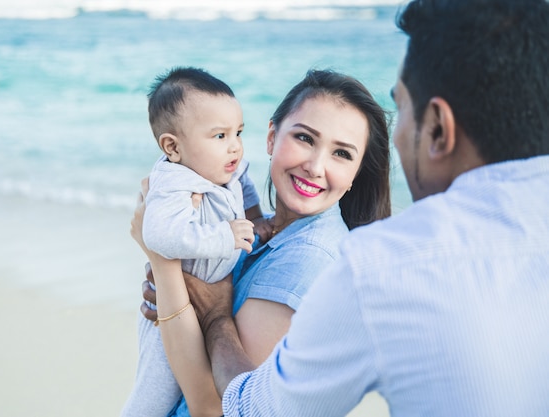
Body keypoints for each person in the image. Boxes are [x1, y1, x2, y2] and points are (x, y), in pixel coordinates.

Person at [164, 0, 549, 415]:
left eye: (401, 108)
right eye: (305, 138)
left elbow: (252, 411)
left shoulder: (381, 265)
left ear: (437, 127)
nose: (397, 140)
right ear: (272, 136)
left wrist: (212, 314)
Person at [132, 69, 392, 416]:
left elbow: (213, 408)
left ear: (355, 175)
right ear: (271, 137)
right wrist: (180, 292)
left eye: (342, 154)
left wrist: (166, 267)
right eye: (305, 138)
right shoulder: (269, 228)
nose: (315, 166)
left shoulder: (306, 260)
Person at [120, 66, 269, 417]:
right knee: (155, 393)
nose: (234, 146)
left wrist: (257, 219)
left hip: (201, 305)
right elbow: (158, 235)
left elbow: (243, 183)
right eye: (219, 136)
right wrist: (224, 236)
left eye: (239, 132)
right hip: (169, 311)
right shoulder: (172, 181)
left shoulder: (225, 167)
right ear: (173, 146)